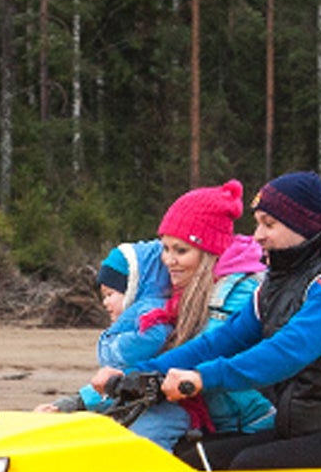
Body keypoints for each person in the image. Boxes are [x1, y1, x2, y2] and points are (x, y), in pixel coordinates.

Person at [149, 172, 321, 470]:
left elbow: (286, 352)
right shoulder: (282, 282)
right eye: (258, 223)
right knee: (195, 460)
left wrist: (202, 378)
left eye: (269, 224)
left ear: (301, 226)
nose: (257, 235)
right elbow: (221, 342)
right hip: (313, 427)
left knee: (247, 466)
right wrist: (139, 373)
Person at [55, 181, 274, 447]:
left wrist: (112, 387)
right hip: (207, 413)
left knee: (142, 438)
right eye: (166, 248)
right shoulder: (183, 291)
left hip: (251, 424)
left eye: (181, 250)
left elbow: (198, 354)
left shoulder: (238, 291)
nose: (169, 260)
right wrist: (81, 401)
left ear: (210, 252)